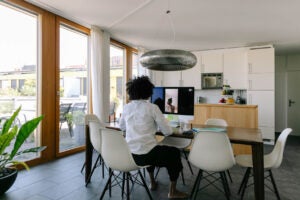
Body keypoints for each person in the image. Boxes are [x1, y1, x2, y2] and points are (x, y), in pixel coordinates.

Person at [119, 76, 188, 199]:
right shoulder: (152, 108)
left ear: (131, 92)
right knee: (174, 154)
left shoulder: (126, 107)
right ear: (148, 92)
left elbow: (122, 127)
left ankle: (152, 182)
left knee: (151, 147)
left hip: (129, 155)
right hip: (146, 156)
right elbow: (167, 132)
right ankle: (172, 192)